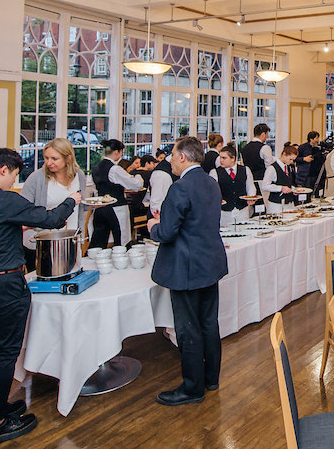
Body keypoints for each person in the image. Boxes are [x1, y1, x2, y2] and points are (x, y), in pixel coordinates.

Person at [0, 147, 79, 447]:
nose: (14, 180)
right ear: (3, 170)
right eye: (13, 174)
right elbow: (53, 220)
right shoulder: (6, 200)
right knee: (6, 353)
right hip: (6, 284)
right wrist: (71, 201)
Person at [150, 136, 229, 407]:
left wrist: (153, 227)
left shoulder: (180, 187)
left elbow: (168, 232)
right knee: (208, 323)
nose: (170, 161)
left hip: (186, 267)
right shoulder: (211, 182)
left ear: (183, 157)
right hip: (209, 263)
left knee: (188, 330)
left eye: (172, 155)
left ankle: (192, 388)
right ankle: (211, 378)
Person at [21, 138, 90, 267]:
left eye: (54, 158)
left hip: (70, 239)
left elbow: (79, 206)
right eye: (46, 158)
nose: (49, 162)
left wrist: (95, 205)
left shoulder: (79, 175)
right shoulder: (37, 178)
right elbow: (23, 211)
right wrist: (47, 212)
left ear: (68, 158)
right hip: (43, 242)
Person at [89, 139, 144, 249]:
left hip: (100, 209)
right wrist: (138, 175)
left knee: (98, 242)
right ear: (117, 152)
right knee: (122, 241)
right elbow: (136, 185)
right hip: (117, 208)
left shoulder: (96, 168)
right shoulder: (114, 169)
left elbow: (95, 189)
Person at [211, 144, 255, 225]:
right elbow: (212, 192)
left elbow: (250, 187)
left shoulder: (245, 170)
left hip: (243, 211)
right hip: (225, 213)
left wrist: (251, 197)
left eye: (224, 158)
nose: (221, 160)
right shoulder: (214, 172)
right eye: (220, 157)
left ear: (233, 158)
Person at [264, 144, 299, 212]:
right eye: (290, 159)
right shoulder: (272, 168)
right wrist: (281, 188)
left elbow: (287, 182)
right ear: (284, 154)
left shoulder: (288, 167)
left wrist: (293, 190)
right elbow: (265, 186)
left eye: (293, 160)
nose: (291, 162)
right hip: (276, 205)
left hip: (289, 203)